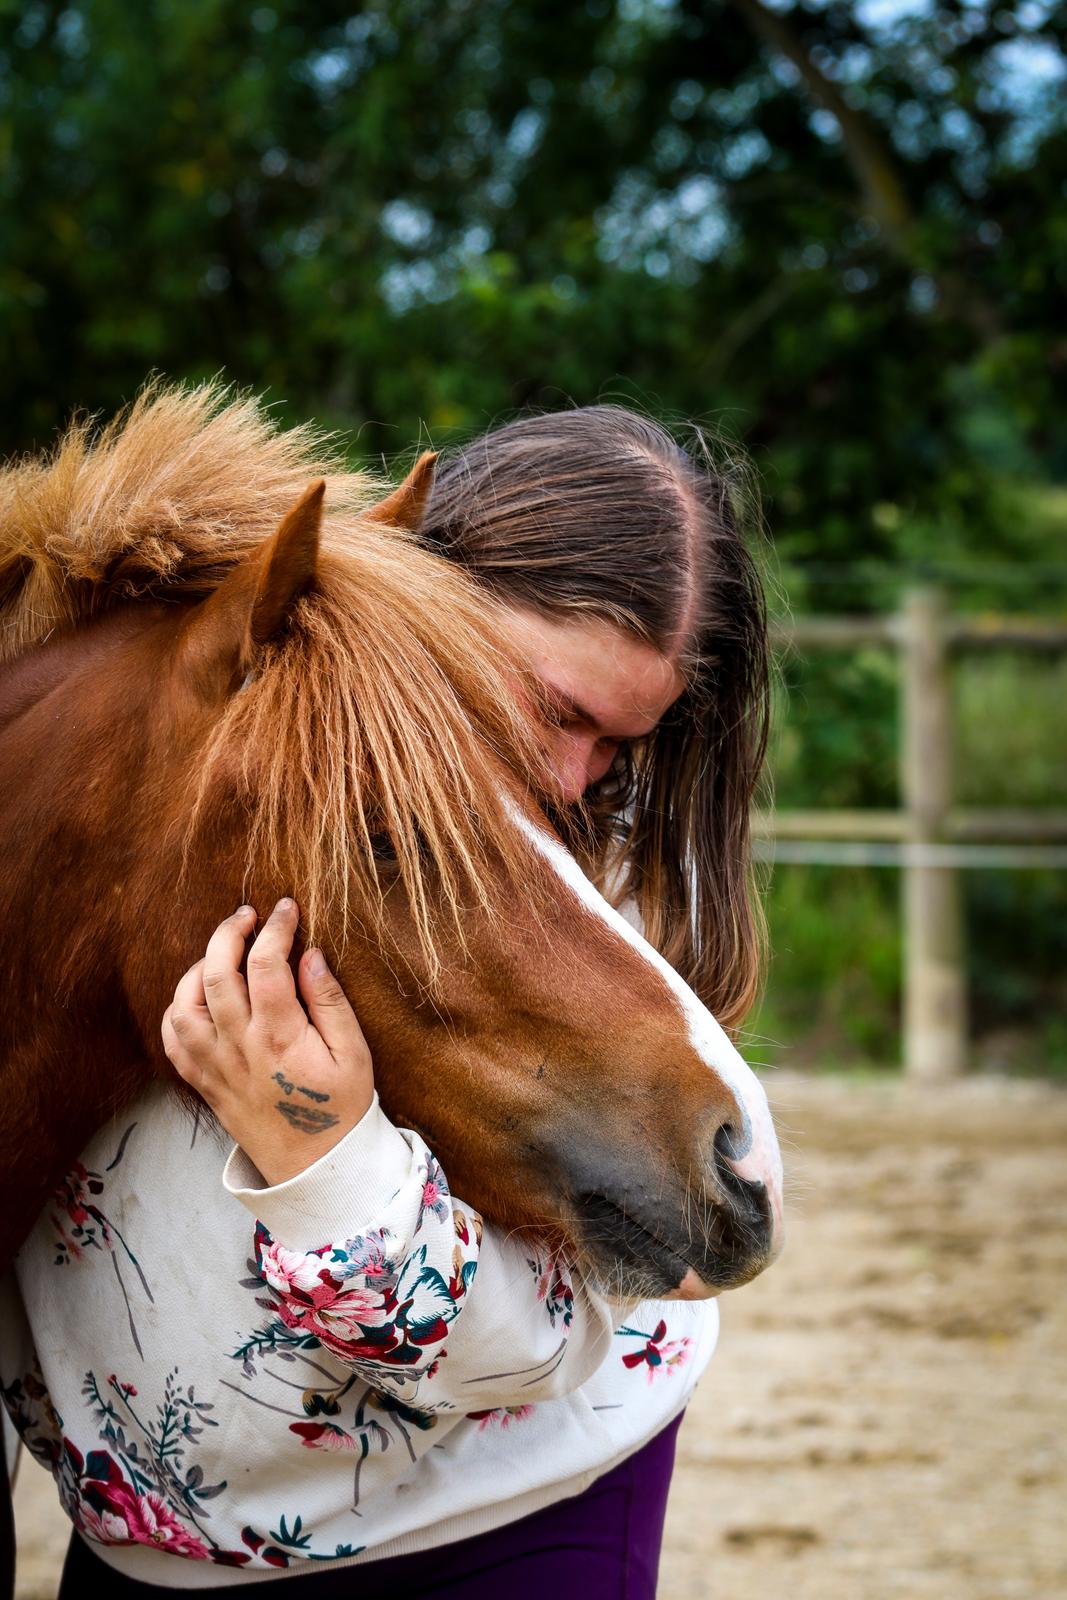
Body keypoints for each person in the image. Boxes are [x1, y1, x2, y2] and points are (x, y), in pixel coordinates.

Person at [2, 404, 772, 1597]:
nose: (572, 779)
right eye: (555, 708)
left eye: (623, 742)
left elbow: (613, 1283)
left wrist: (321, 1146)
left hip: (497, 1505)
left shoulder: (566, 872)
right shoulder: (267, 775)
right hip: (159, 1541)